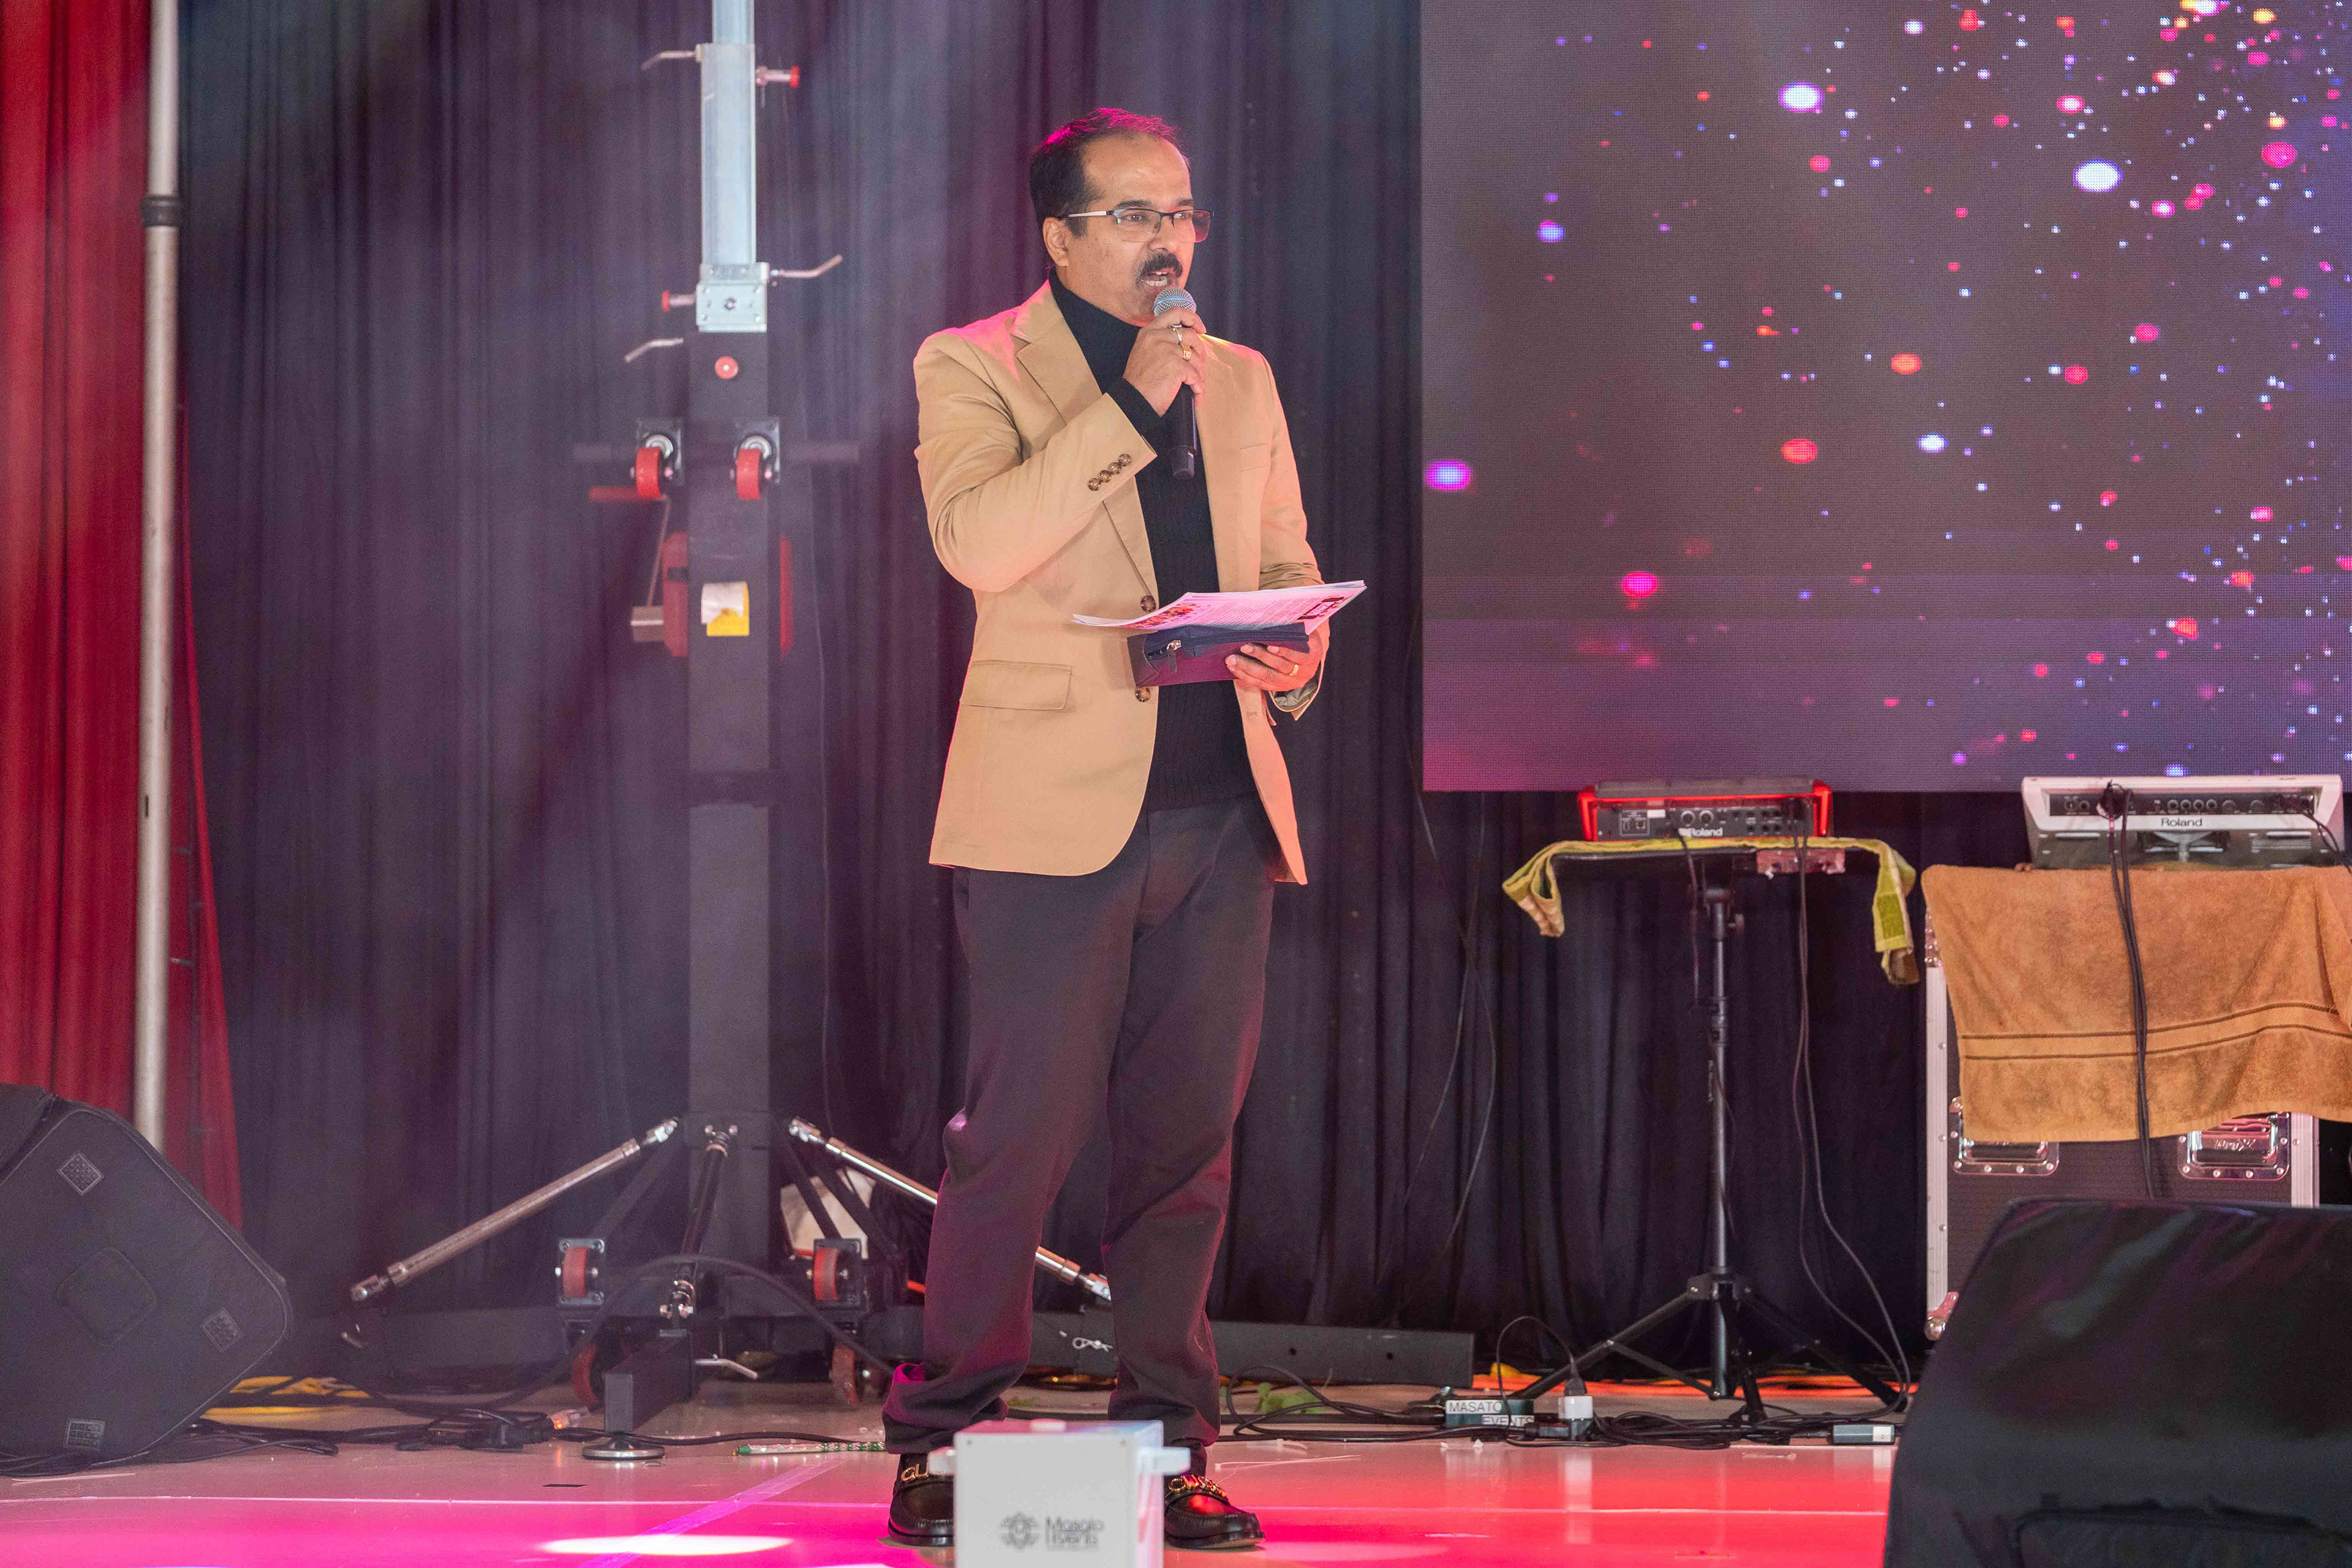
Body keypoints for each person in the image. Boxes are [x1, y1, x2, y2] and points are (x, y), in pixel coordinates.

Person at [881, 107, 1327, 1550]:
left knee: (1185, 1152)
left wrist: (1295, 654)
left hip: (1221, 814)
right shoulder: (974, 363)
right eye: (1137, 215)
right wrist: (1129, 403)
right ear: (1062, 235)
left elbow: (1286, 561)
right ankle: (944, 1437)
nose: (1170, 242)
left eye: (1183, 214)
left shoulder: (1241, 378)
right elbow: (981, 543)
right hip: (1048, 819)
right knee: (1014, 1141)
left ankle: (1171, 1442)